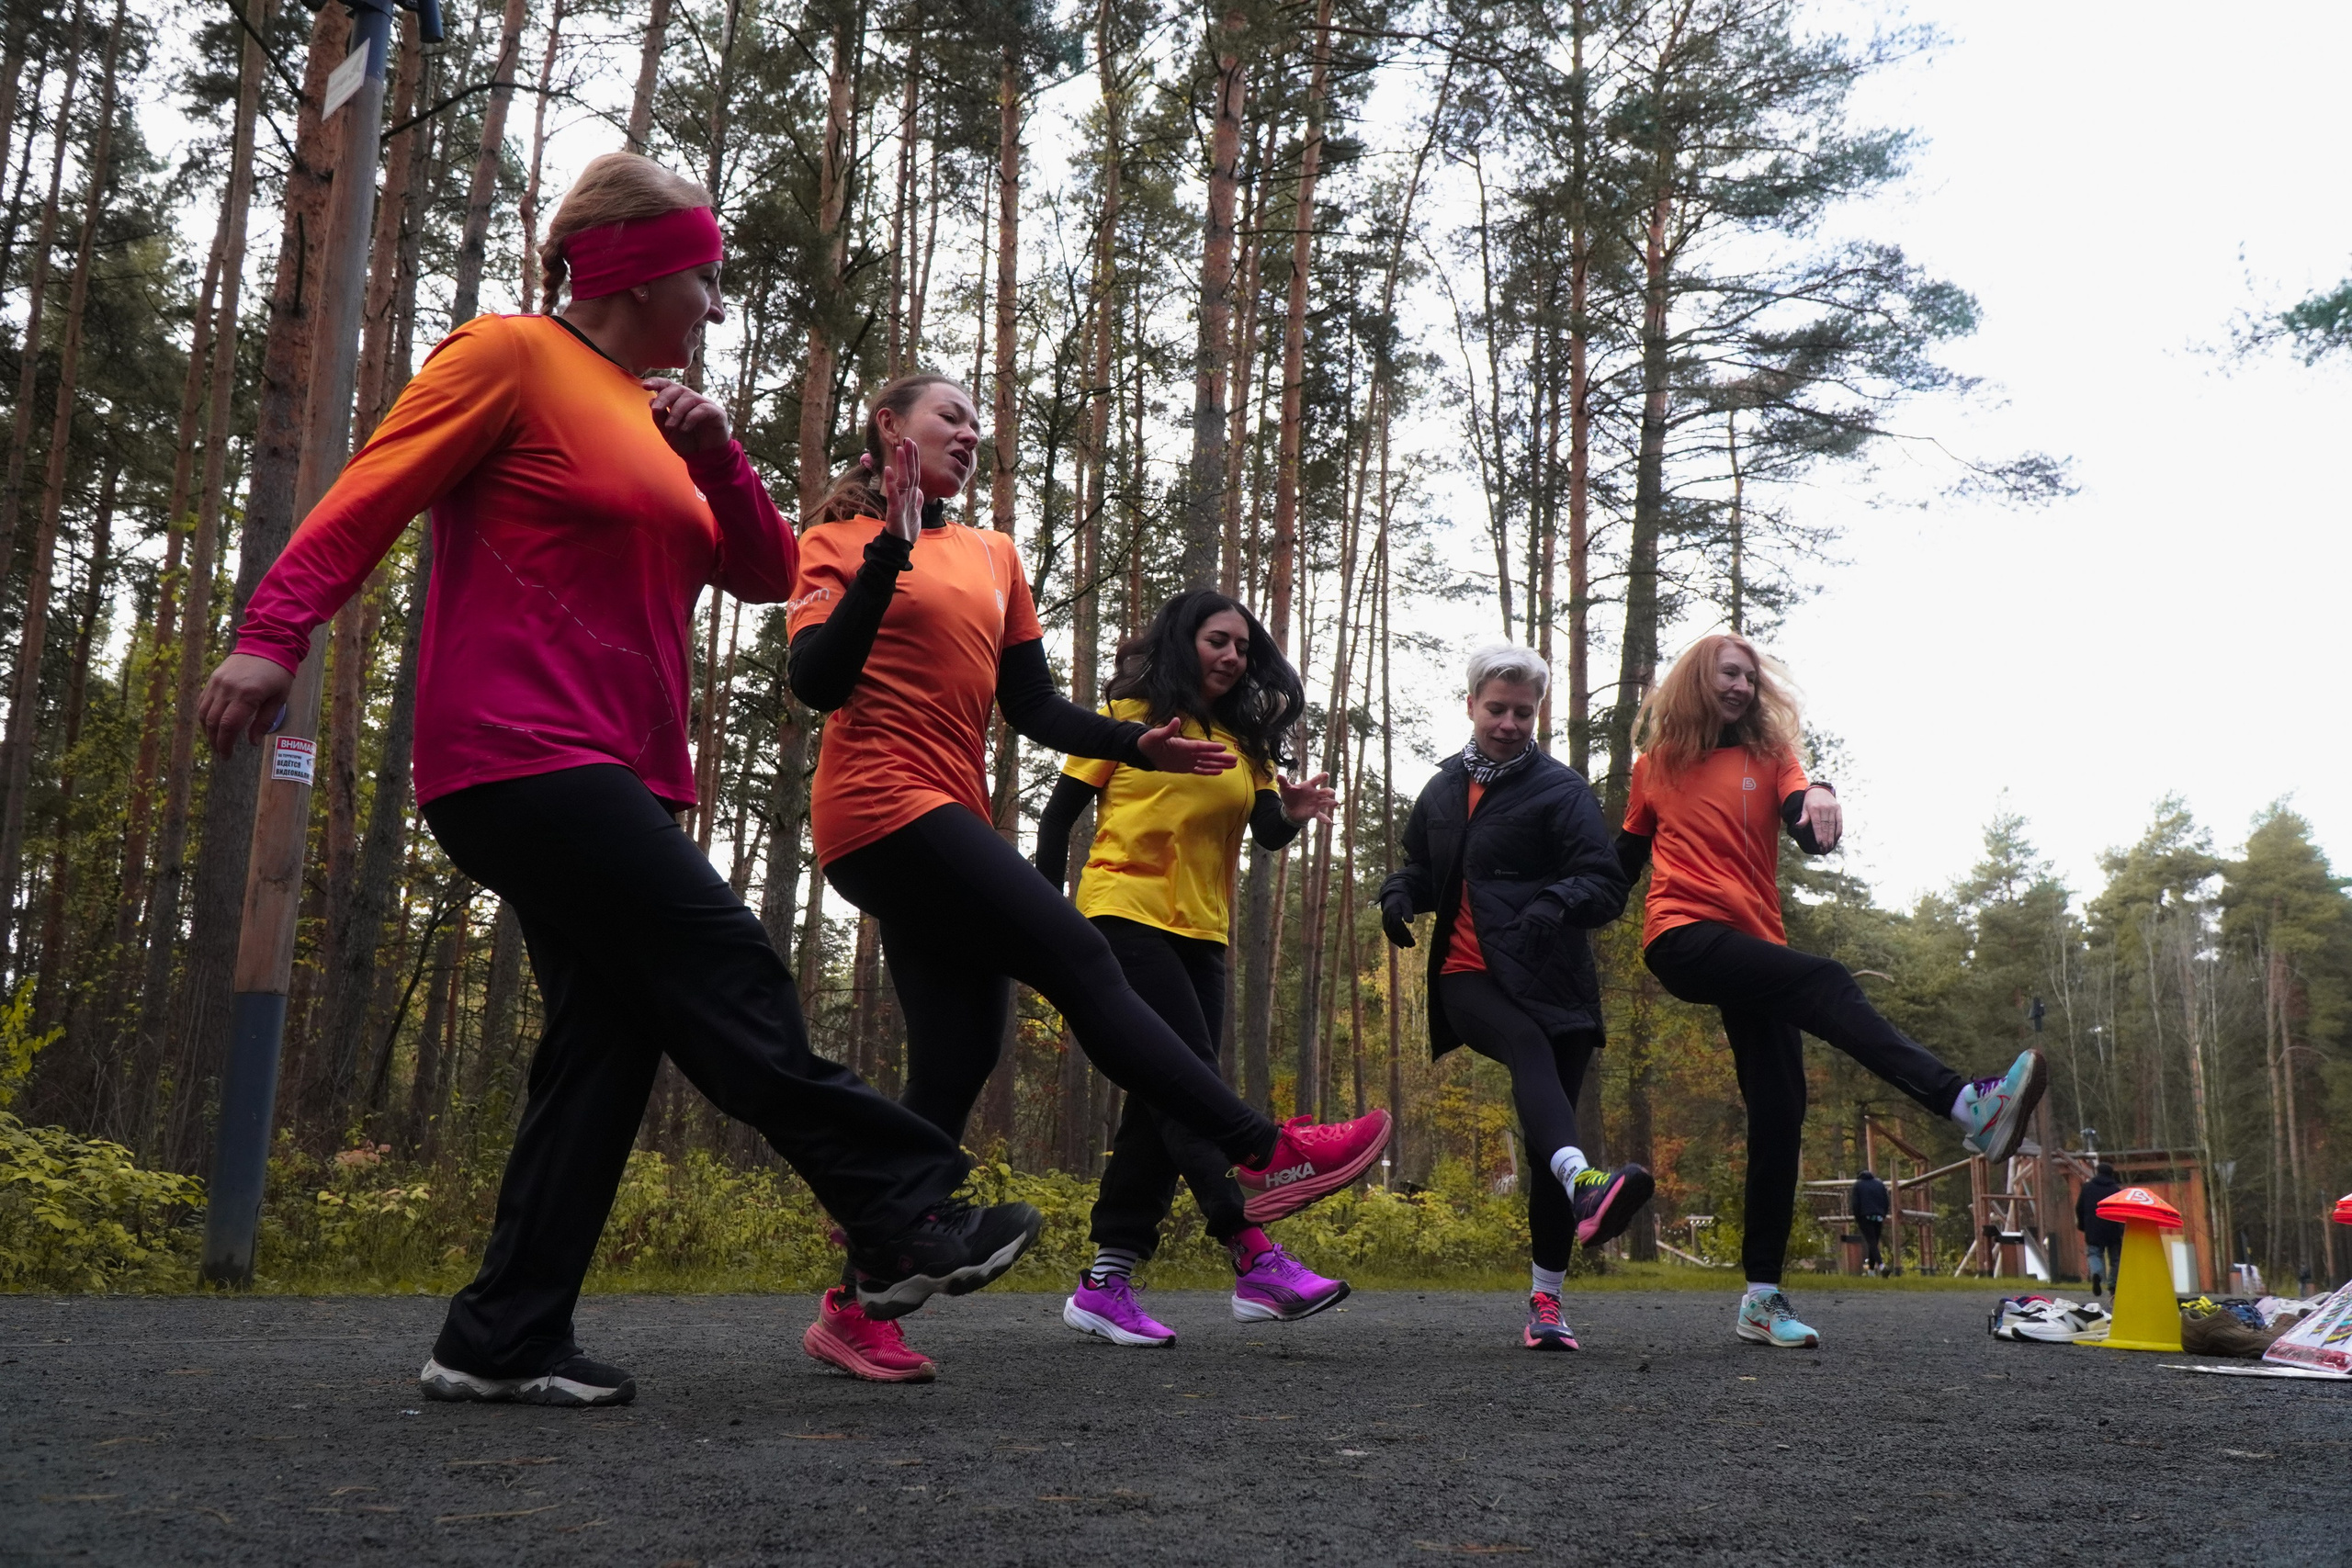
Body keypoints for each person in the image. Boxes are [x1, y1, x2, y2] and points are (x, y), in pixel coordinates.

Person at [197, 154, 1041, 1409]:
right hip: (515, 748)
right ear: (643, 272)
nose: (715, 304)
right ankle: (904, 1204)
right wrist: (274, 632)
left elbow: (758, 570)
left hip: (626, 769)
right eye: (704, 277)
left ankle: (502, 1334)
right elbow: (372, 490)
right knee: (722, 960)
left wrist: (717, 453)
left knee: (608, 1037)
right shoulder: (508, 356)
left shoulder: (653, 410)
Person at [783, 374, 1391, 1381]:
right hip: (878, 810)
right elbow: (816, 682)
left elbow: (1031, 705)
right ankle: (1259, 1146)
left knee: (957, 1055)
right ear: (889, 428)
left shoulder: (992, 554)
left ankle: (860, 1299)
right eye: (952, 417)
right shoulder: (837, 542)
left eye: (981, 421)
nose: (973, 433)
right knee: (1075, 951)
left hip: (950, 811)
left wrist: (1134, 744)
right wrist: (889, 548)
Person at [1616, 633, 2049, 1350]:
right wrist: (1556, 906)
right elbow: (1620, 865)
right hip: (1682, 935)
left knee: (1781, 1110)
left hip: (1756, 946)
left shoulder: (1771, 756)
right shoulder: (1654, 767)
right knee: (1827, 980)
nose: (1741, 688)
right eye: (1729, 674)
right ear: (1698, 678)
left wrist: (1821, 793)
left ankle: (1760, 1297)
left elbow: (1807, 826)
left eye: (1751, 679)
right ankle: (1967, 1102)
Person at [1032, 590, 1361, 1346]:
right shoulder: (1129, 713)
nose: (1233, 657)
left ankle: (1105, 1281)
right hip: (1122, 914)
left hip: (1203, 933)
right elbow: (1058, 818)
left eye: (1243, 648)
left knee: (1165, 1096)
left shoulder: (1247, 737)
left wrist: (1296, 809)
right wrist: (1045, 924)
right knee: (1190, 1085)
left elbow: (1267, 830)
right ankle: (1253, 1257)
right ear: (1186, 641)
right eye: (1218, 641)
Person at [1378, 643, 1652, 1353]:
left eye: (1522, 712)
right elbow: (1416, 861)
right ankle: (1586, 1182)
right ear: (1470, 704)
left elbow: (1603, 882)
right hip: (1467, 975)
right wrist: (1398, 895)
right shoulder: (1440, 791)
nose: (1507, 722)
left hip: (1552, 978)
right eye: (1496, 708)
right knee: (1524, 1047)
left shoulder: (1561, 791)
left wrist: (1555, 902)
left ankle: (1547, 1302)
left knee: (1542, 1147)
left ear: (1538, 715)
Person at [2077, 1161, 2123, 1296]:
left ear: (2097, 1172)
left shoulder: (2087, 1188)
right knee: (2115, 1259)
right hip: (2112, 1228)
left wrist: (2082, 1225)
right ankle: (2113, 1285)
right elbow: (2121, 1211)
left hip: (2093, 1228)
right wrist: (2121, 1227)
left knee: (2094, 1254)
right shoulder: (2115, 1190)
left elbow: (2079, 1208)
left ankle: (2096, 1274)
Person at [1851, 1169, 1891, 1275]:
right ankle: (1871, 1271)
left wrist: (1858, 1218)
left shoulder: (1858, 1185)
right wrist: (1883, 1214)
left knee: (1871, 1242)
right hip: (1878, 1216)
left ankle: (1882, 1267)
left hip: (1866, 1216)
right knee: (1873, 1243)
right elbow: (1886, 1201)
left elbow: (1855, 1204)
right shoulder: (1879, 1184)